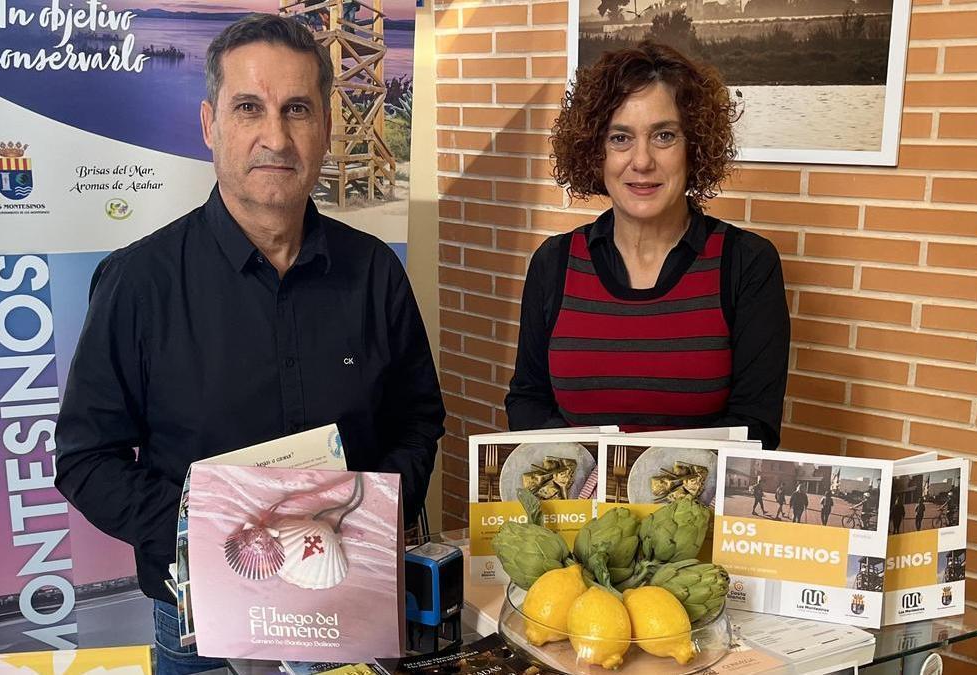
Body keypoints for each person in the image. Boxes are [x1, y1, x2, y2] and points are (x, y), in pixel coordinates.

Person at [53, 16, 445, 674]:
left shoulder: (374, 272)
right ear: (210, 125)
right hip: (203, 633)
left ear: (325, 127)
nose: (275, 136)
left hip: (350, 606)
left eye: (297, 109)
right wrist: (195, 533)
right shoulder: (140, 282)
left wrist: (370, 512)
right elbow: (87, 456)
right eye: (248, 108)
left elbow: (418, 416)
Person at [503, 41, 789, 443]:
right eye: (620, 138)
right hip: (578, 499)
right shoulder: (554, 262)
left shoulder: (747, 263)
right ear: (594, 151)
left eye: (664, 136)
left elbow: (754, 427)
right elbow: (527, 400)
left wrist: (641, 477)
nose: (641, 161)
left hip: (693, 504)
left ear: (695, 146)